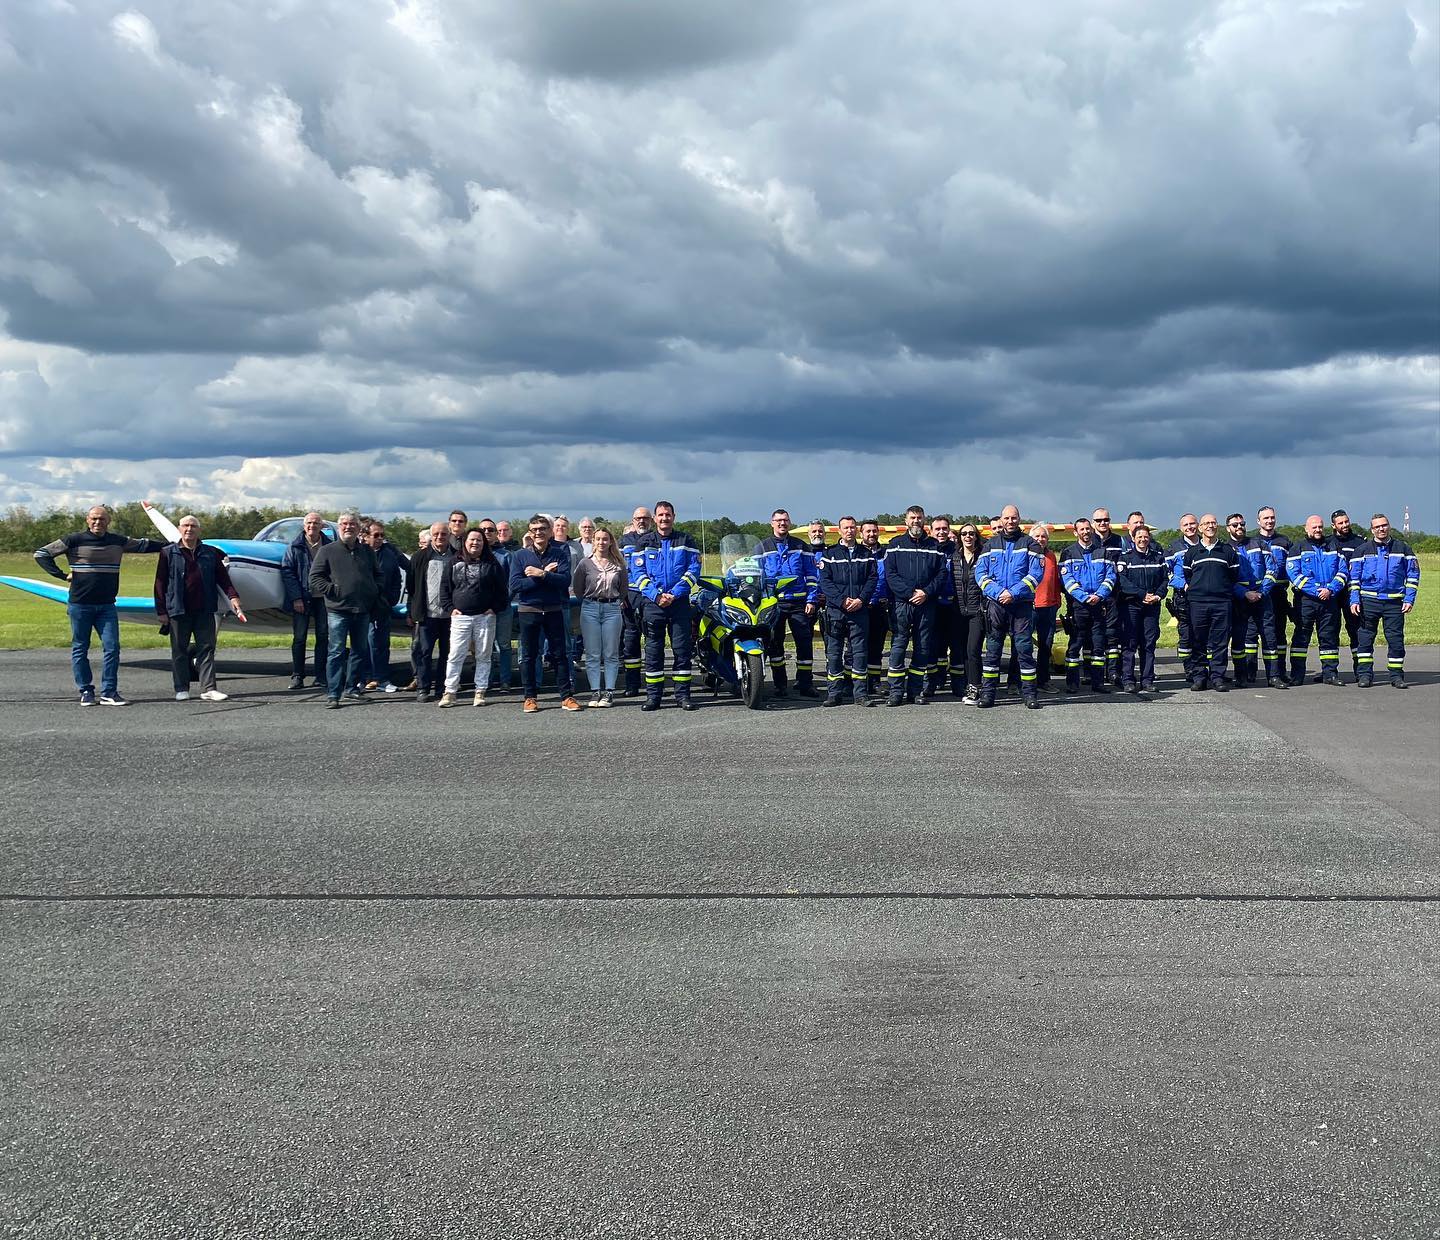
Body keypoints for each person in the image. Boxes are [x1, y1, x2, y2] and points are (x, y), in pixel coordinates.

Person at [33, 505, 167, 706]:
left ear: (108, 521)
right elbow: (41, 554)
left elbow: (145, 545)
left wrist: (174, 543)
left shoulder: (117, 541)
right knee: (80, 648)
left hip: (107, 606)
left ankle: (109, 692)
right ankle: (86, 691)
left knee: (112, 648)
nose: (98, 522)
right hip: (80, 605)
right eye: (94, 519)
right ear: (87, 520)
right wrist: (61, 575)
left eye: (102, 519)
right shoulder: (73, 540)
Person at [153, 515, 247, 702]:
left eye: (193, 526)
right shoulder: (167, 552)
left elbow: (223, 579)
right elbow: (159, 583)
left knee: (207, 648)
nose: (189, 529)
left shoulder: (210, 553)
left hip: (205, 609)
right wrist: (161, 611)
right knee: (179, 650)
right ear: (180, 529)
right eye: (186, 526)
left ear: (199, 530)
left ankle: (209, 689)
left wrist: (234, 597)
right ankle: (181, 688)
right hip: (178, 610)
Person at [628, 501, 701, 711]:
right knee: (653, 651)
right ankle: (654, 697)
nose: (664, 518)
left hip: (679, 604)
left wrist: (675, 594)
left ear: (673, 517)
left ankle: (683, 696)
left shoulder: (686, 540)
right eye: (660, 515)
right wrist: (656, 595)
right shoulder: (644, 542)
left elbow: (693, 570)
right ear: (655, 518)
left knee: (681, 650)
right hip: (653, 604)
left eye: (667, 515)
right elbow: (638, 574)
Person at [308, 513, 385, 709]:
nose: (348, 527)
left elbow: (379, 575)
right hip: (338, 610)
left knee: (360, 651)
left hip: (362, 609)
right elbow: (315, 577)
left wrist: (373, 591)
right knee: (336, 651)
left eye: (352, 524)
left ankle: (352, 689)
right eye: (344, 524)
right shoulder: (327, 551)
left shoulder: (367, 552)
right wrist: (332, 590)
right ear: (339, 527)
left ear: (359, 529)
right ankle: (333, 693)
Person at [508, 515, 581, 713]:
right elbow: (515, 585)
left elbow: (564, 580)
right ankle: (530, 697)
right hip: (528, 611)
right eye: (534, 530)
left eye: (542, 529)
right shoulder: (520, 555)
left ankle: (566, 696)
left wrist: (540, 573)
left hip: (553, 609)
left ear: (549, 531)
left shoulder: (560, 552)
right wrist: (544, 576)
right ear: (530, 533)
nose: (539, 532)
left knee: (560, 655)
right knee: (530, 656)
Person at [976, 505, 1043, 709]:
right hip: (996, 605)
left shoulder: (1030, 543)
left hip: (1021, 605)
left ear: (1019, 519)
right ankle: (988, 694)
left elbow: (1036, 575)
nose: (1010, 521)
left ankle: (1030, 694)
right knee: (993, 651)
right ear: (1001, 520)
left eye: (1014, 518)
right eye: (1006, 518)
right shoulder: (990, 545)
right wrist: (998, 593)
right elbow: (981, 574)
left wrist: (1012, 593)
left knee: (1024, 650)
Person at [882, 506, 946, 706]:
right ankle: (895, 691)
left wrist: (926, 592)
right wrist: (910, 593)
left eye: (919, 518)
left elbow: (941, 574)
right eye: (912, 518)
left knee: (922, 647)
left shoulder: (934, 545)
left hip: (926, 603)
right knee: (899, 647)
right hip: (902, 603)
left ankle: (915, 691)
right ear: (906, 520)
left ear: (924, 520)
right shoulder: (895, 544)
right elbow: (890, 574)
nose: (916, 521)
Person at [1172, 514, 1244, 692]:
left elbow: (1233, 576)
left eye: (1213, 523)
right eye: (1206, 523)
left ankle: (1218, 677)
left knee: (1220, 642)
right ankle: (1199, 677)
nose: (1210, 526)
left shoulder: (1228, 551)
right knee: (1198, 640)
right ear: (1200, 528)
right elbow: (1188, 575)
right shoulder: (1192, 552)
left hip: (1222, 602)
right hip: (1198, 603)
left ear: (1217, 526)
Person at [754, 509, 821, 698]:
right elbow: (756, 575)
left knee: (804, 643)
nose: (782, 523)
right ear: (772, 523)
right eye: (778, 520)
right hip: (773, 604)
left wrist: (811, 599)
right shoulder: (762, 546)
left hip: (799, 603)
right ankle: (780, 684)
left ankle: (805, 683)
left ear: (789, 523)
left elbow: (811, 575)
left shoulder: (801, 546)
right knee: (775, 644)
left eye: (785, 520)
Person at [437, 527, 508, 707]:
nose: (475, 543)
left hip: (485, 617)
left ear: (484, 543)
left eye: (479, 540)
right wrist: (450, 608)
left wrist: (494, 608)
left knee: (484, 655)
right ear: (465, 542)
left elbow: (502, 591)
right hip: (460, 617)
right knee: (455, 655)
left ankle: (480, 691)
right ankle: (450, 692)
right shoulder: (454, 562)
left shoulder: (492, 564)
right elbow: (444, 589)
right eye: (472, 540)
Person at [1349, 513, 1421, 689]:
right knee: (1365, 640)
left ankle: (1396, 676)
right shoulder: (1362, 550)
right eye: (1377, 526)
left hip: (1394, 603)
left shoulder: (1403, 548)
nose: (1381, 529)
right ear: (1372, 529)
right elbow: (1354, 579)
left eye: (1384, 525)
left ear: (1389, 526)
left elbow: (1413, 575)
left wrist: (1409, 599)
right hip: (1368, 601)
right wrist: (1354, 600)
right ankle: (1365, 675)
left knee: (1395, 640)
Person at [817, 516, 877, 706]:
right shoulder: (830, 554)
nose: (849, 531)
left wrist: (860, 599)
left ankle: (860, 694)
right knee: (834, 654)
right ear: (839, 530)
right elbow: (825, 582)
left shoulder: (866, 554)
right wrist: (842, 601)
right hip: (836, 611)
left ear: (857, 530)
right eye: (846, 528)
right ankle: (834, 693)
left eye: (852, 527)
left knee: (859, 653)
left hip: (859, 610)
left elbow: (872, 579)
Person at [1285, 515, 1347, 686]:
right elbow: (1294, 574)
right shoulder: (1297, 547)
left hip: (1329, 599)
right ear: (1306, 529)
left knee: (1329, 637)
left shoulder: (1333, 546)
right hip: (1305, 600)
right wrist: (1316, 590)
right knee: (1301, 638)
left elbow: (1343, 572)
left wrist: (1330, 589)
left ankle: (1330, 674)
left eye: (1320, 527)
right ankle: (1297, 675)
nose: (1318, 530)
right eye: (1314, 527)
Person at [1058, 517, 1114, 695]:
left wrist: (1099, 595)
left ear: (1092, 530)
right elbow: (1066, 580)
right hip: (1078, 606)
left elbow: (1111, 577)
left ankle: (1098, 683)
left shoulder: (1103, 552)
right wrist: (1084, 597)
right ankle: (1072, 683)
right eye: (1081, 529)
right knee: (1075, 645)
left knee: (1098, 646)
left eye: (1088, 529)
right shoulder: (1068, 553)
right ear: (1076, 533)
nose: (1085, 532)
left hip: (1098, 605)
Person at [1226, 513, 1282, 688]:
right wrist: (1244, 593)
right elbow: (1226, 578)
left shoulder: (1259, 544)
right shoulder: (1225, 548)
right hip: (1239, 600)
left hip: (1262, 598)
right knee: (1240, 640)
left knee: (1270, 638)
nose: (1239, 527)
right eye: (1235, 525)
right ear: (1228, 528)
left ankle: (1273, 676)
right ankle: (1242, 676)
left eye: (1242, 523)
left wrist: (1261, 592)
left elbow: (1272, 570)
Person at [573, 527, 628, 706]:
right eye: (598, 539)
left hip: (612, 608)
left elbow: (623, 589)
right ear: (593, 541)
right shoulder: (585, 563)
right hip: (590, 607)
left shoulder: (619, 564)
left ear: (610, 541)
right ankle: (595, 691)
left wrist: (616, 600)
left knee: (611, 652)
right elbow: (578, 588)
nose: (601, 542)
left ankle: (609, 691)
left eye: (605, 539)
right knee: (593, 653)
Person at [279, 511, 333, 691]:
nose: (312, 526)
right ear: (304, 526)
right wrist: (296, 598)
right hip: (302, 599)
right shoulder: (294, 547)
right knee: (299, 638)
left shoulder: (330, 546)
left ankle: (321, 675)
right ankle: (297, 676)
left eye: (316, 523)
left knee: (323, 637)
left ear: (322, 526)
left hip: (323, 599)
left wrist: (331, 593)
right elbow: (287, 572)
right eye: (309, 523)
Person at [1114, 523, 1167, 694]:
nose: (1143, 539)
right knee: (1129, 644)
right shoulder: (1125, 558)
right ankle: (1128, 679)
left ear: (1149, 538)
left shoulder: (1158, 558)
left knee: (1148, 644)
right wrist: (1142, 594)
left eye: (1145, 536)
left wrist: (1158, 595)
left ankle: (1147, 680)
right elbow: (1123, 582)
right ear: (1133, 539)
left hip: (1152, 606)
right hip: (1132, 606)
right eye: (1139, 537)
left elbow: (1165, 580)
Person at [407, 521, 453, 701]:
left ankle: (441, 688)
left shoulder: (456, 556)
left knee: (447, 654)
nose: (440, 537)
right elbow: (411, 586)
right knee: (424, 652)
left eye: (443, 534)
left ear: (449, 535)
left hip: (450, 615)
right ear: (431, 536)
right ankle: (423, 687)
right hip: (427, 615)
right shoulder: (419, 557)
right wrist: (412, 611)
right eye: (436, 534)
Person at [362, 520, 409, 693]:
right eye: (376, 535)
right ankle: (365, 677)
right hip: (363, 607)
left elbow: (397, 578)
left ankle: (381, 678)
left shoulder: (390, 554)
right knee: (365, 642)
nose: (380, 538)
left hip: (383, 606)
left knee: (381, 643)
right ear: (366, 536)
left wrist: (392, 599)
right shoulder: (359, 553)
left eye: (382, 535)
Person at [949, 523, 986, 703]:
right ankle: (964, 684)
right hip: (957, 611)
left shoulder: (983, 557)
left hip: (976, 611)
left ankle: (975, 687)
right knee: (961, 651)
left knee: (973, 651)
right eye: (964, 534)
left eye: (971, 534)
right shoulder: (954, 557)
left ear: (976, 536)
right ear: (959, 537)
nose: (968, 537)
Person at [619, 506, 653, 696]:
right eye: (638, 518)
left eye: (645, 518)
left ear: (651, 520)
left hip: (651, 596)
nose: (642, 521)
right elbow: (618, 570)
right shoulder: (624, 542)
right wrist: (620, 594)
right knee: (630, 641)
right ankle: (632, 685)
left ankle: (653, 685)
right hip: (630, 596)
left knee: (652, 641)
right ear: (633, 521)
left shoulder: (656, 540)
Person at [1257, 505, 1293, 682]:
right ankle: (1250, 673)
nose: (1269, 521)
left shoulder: (1284, 541)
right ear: (1259, 521)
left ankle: (1280, 671)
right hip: (1259, 593)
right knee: (1253, 634)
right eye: (1266, 518)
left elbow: (1292, 568)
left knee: (1279, 634)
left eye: (1272, 518)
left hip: (1278, 592)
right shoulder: (1253, 541)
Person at [1329, 509, 1366, 681]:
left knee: (1355, 630)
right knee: (1330, 631)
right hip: (1334, 593)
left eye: (1346, 521)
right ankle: (1330, 671)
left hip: (1353, 592)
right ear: (1333, 525)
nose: (1344, 525)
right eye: (1340, 523)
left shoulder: (1360, 542)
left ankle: (1361, 670)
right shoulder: (1327, 542)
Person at [1165, 514, 1202, 685]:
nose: (1189, 527)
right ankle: (1189, 669)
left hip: (1203, 597)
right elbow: (1167, 572)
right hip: (1183, 596)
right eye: (1186, 525)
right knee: (1186, 635)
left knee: (1203, 634)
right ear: (1181, 528)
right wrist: (1184, 584)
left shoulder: (1205, 544)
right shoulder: (1174, 548)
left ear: (1198, 525)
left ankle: (1203, 667)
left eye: (1192, 524)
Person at [478, 519, 514, 693]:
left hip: (502, 608)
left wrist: (499, 603)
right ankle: (487, 679)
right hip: (481, 610)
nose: (487, 532)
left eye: (491, 530)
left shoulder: (506, 556)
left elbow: (512, 584)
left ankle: (505, 680)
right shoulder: (474, 555)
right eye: (483, 529)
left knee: (504, 645)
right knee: (486, 646)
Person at [1091, 508, 1125, 684]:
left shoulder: (1120, 540)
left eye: (1105, 520)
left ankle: (1112, 672)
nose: (1102, 523)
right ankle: (1092, 673)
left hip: (1113, 594)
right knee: (1092, 634)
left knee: (1112, 633)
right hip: (1092, 595)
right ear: (1093, 522)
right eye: (1098, 520)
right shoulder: (1089, 540)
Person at [859, 520, 892, 700]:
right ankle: (856, 682)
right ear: (861, 533)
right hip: (860, 606)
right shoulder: (857, 553)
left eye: (874, 531)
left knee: (876, 647)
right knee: (857, 647)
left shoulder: (886, 554)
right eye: (867, 531)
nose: (871, 534)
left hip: (880, 606)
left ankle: (874, 681)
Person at [926, 516, 958, 697]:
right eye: (937, 529)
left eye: (944, 528)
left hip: (954, 603)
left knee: (956, 645)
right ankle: (932, 681)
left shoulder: (957, 550)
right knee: (933, 645)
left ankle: (957, 683)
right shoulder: (927, 549)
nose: (941, 532)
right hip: (933, 602)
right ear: (930, 531)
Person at [1028, 523, 1061, 693]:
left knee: (1046, 646)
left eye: (1044, 537)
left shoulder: (1051, 556)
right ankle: (1016, 681)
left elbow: (1055, 580)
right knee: (1023, 645)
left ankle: (1043, 680)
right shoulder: (1026, 555)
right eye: (1037, 536)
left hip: (1049, 607)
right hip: (1030, 607)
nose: (1040, 539)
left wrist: (1057, 601)